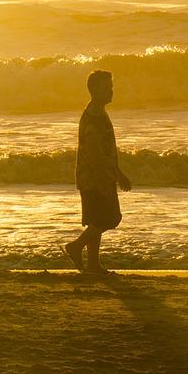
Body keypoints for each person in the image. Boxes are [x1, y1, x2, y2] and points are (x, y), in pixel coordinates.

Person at [63, 68, 131, 275]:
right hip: (94, 177)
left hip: (99, 176)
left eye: (111, 87)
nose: (111, 91)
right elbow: (94, 153)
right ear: (94, 90)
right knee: (109, 218)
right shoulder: (94, 116)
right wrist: (103, 180)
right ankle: (75, 246)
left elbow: (106, 151)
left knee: (96, 220)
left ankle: (93, 264)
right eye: (107, 88)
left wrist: (118, 174)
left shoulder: (99, 112)